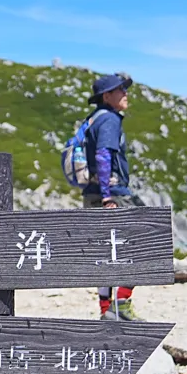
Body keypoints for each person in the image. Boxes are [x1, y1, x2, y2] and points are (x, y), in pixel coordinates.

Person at [80, 74, 138, 321]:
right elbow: (104, 155)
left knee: (103, 254)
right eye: (120, 91)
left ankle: (106, 311)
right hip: (111, 193)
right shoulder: (110, 120)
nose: (125, 94)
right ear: (107, 97)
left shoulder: (92, 119)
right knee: (137, 246)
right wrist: (108, 196)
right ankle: (122, 304)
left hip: (91, 193)